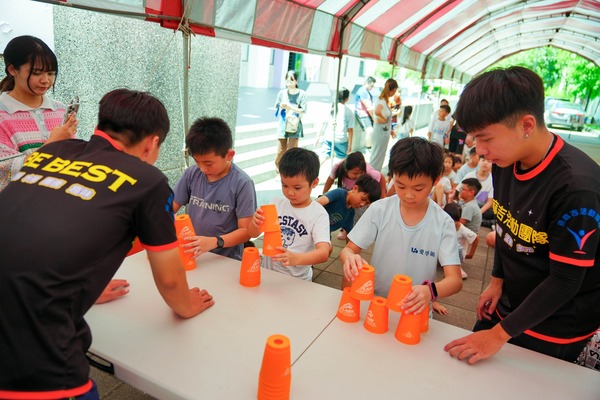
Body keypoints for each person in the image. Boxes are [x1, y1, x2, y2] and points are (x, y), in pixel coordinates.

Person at [0, 89, 215, 398]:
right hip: (29, 345)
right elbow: (169, 278)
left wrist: (79, 282)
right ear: (152, 142)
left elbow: (39, 226)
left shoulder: (52, 151)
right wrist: (186, 306)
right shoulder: (148, 180)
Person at [444, 66, 600, 365]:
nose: (481, 151)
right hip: (509, 306)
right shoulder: (505, 160)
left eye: (485, 138)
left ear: (526, 124)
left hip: (554, 325)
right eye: (475, 139)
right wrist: (498, 279)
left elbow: (566, 281)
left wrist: (499, 334)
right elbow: (505, 225)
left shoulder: (576, 188)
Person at [340, 137, 462, 314]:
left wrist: (431, 291)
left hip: (414, 309)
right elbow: (348, 250)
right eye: (400, 185)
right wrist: (349, 258)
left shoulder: (443, 222)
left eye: (418, 188)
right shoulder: (380, 209)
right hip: (377, 302)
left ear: (436, 180)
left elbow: (455, 280)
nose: (408, 195)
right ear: (392, 177)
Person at [0, 35, 78, 192]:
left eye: (51, 73)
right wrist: (53, 143)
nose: (46, 80)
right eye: (36, 73)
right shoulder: (2, 115)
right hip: (16, 211)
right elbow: (6, 172)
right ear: (12, 70)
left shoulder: (60, 110)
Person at [173, 117, 257, 261]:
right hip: (194, 255)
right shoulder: (191, 174)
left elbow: (246, 231)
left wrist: (214, 241)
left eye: (209, 163)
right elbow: (169, 207)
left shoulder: (242, 183)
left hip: (226, 259)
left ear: (229, 155)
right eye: (197, 161)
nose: (202, 169)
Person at [248, 147, 330, 281]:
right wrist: (255, 222)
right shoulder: (276, 203)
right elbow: (253, 234)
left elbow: (323, 252)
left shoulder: (318, 214)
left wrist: (296, 258)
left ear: (314, 183)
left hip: (296, 278)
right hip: (267, 272)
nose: (290, 192)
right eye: (284, 185)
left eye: (297, 188)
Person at [322, 151, 387, 240]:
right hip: (347, 194)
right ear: (346, 170)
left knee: (353, 217)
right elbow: (330, 180)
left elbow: (381, 177)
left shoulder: (369, 172)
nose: (358, 176)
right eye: (355, 173)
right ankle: (344, 230)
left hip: (357, 196)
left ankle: (352, 231)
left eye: (361, 173)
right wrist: (324, 194)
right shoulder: (338, 170)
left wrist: (383, 196)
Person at [316, 174, 381, 238]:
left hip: (323, 233)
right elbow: (316, 204)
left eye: (366, 203)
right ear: (355, 188)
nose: (362, 204)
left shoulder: (351, 213)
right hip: (311, 224)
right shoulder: (339, 194)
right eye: (363, 199)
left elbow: (349, 234)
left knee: (329, 247)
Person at [274, 70, 307, 170]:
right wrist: (282, 106)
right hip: (283, 123)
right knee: (280, 151)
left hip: (295, 125)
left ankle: (287, 171)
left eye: (292, 81)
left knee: (292, 151)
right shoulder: (282, 93)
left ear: (296, 81)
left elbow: (303, 110)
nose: (289, 83)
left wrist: (291, 107)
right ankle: (278, 167)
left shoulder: (302, 94)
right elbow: (276, 106)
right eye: (287, 81)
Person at [370, 78, 399, 172]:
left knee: (379, 156)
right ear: (393, 90)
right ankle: (372, 175)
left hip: (383, 133)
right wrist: (383, 118)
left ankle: (374, 174)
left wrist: (390, 130)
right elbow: (377, 111)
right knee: (377, 156)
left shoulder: (384, 100)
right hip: (380, 133)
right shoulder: (382, 101)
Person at [317, 88, 354, 159]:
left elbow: (323, 123)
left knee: (323, 157)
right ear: (347, 99)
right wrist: (350, 145)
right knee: (342, 160)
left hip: (328, 137)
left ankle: (315, 169)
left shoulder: (331, 107)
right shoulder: (349, 112)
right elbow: (350, 130)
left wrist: (318, 136)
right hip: (341, 140)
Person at [462, 155, 494, 226]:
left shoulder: (493, 180)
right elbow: (460, 193)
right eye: (483, 160)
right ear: (479, 161)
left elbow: (490, 202)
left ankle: (481, 220)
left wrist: (478, 213)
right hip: (467, 205)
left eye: (489, 161)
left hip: (481, 208)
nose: (485, 163)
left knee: (493, 214)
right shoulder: (470, 175)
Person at [354, 76, 376, 148]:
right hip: (362, 114)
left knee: (371, 131)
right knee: (369, 131)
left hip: (365, 113)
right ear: (367, 83)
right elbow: (368, 107)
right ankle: (369, 147)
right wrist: (373, 117)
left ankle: (370, 146)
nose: (372, 88)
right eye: (371, 86)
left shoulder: (365, 91)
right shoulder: (363, 91)